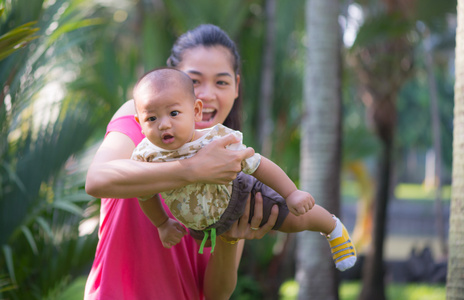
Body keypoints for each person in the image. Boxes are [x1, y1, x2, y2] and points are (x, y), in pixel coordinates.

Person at [84, 24, 281, 300]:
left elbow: (216, 294)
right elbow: (97, 179)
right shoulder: (143, 120)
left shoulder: (233, 159)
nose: (206, 94)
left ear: (236, 87)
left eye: (221, 82)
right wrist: (193, 168)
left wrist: (229, 237)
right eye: (194, 81)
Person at [131, 67, 356, 272]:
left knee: (293, 219)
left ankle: (332, 227)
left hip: (241, 195)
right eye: (151, 118)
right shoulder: (146, 156)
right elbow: (146, 193)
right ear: (139, 123)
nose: (164, 124)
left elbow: (257, 164)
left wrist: (291, 193)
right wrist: (161, 223)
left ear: (196, 111)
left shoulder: (216, 139)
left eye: (173, 113)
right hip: (204, 226)